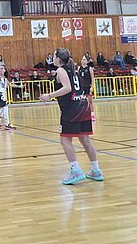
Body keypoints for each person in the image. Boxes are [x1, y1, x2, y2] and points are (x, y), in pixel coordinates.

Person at [40, 48, 103, 185]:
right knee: (85, 140)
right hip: (84, 105)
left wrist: (49, 96)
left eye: (54, 56)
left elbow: (67, 88)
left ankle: (76, 170)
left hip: (72, 109)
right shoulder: (73, 70)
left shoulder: (61, 70)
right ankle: (96, 170)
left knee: (65, 140)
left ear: (58, 59)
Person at [0, 65, 16, 130]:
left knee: (2, 110)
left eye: (2, 68)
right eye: (0, 69)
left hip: (3, 95)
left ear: (5, 70)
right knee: (5, 108)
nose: (0, 70)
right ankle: (7, 124)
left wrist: (19, 86)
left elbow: (10, 85)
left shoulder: (5, 79)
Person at [80, 55, 96, 121]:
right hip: (82, 87)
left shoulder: (89, 68)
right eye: (82, 59)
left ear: (87, 61)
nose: (82, 60)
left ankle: (92, 114)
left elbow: (92, 78)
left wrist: (92, 87)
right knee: (82, 102)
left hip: (88, 86)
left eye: (84, 59)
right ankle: (83, 115)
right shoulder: (79, 68)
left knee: (90, 101)